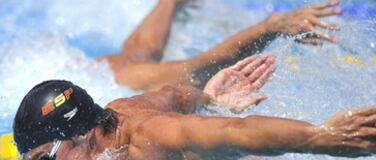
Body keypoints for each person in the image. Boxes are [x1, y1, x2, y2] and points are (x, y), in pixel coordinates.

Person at [13, 70, 376, 160]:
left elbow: (234, 132)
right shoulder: (118, 110)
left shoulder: (147, 142)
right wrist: (210, 96)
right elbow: (172, 94)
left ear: (80, 134)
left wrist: (321, 137)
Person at [99, 0, 343, 92]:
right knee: (136, 56)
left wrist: (268, 28)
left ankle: (271, 25)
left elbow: (193, 71)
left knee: (171, 70)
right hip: (90, 73)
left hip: (94, 75)